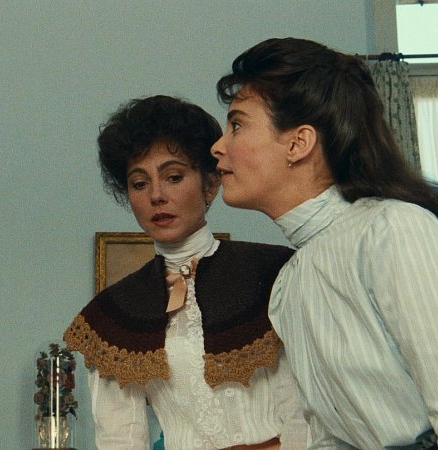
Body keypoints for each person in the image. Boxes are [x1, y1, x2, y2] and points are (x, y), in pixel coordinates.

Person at [211, 37, 438, 448]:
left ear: (298, 144)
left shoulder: (393, 232)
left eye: (236, 125)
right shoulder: (291, 282)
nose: (218, 147)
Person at [64, 95, 308, 450]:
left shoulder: (275, 272)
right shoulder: (114, 315)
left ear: (211, 184)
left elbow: (308, 410)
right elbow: (120, 440)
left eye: (174, 177)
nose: (157, 196)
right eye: (139, 183)